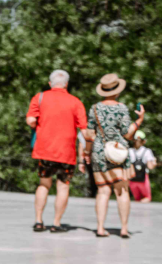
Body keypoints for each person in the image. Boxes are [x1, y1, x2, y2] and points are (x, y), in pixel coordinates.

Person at [84, 74, 145, 239]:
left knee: (103, 191)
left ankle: (100, 228)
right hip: (118, 153)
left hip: (99, 151)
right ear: (117, 91)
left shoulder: (94, 108)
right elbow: (128, 134)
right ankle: (124, 229)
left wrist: (86, 153)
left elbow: (89, 134)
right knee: (122, 190)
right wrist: (139, 120)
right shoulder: (122, 108)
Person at [26, 70, 87, 232]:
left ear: (50, 83)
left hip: (44, 150)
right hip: (66, 152)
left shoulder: (40, 97)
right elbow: (85, 130)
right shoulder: (76, 102)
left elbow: (31, 120)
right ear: (66, 84)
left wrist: (40, 124)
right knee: (63, 186)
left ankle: (39, 221)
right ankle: (56, 223)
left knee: (44, 184)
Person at [129, 130, 157, 203]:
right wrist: (154, 162)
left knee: (137, 199)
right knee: (147, 198)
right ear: (143, 141)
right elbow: (150, 167)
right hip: (143, 179)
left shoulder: (129, 151)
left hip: (132, 179)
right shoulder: (147, 151)